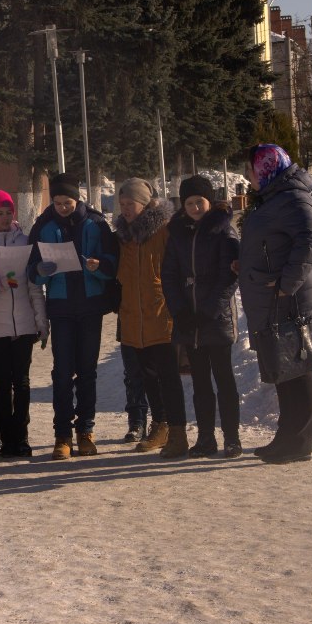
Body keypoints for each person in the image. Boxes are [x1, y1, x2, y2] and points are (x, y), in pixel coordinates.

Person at [238, 144, 312, 464]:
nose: (247, 177)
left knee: (297, 370)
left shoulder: (292, 197)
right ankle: (287, 437)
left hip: (289, 299)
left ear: (265, 168)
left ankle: (300, 441)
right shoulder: (275, 197)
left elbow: (311, 240)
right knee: (285, 370)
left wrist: (285, 284)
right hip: (274, 297)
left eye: (249, 170)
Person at [28, 173, 118, 460]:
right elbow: (31, 268)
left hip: (90, 307)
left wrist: (98, 265)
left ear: (77, 198)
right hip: (61, 308)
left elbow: (113, 262)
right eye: (57, 203)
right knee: (63, 372)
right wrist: (41, 271)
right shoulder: (43, 225)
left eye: (67, 202)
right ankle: (62, 435)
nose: (62, 207)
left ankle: (86, 432)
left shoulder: (96, 223)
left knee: (88, 372)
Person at [161, 175, 242, 458]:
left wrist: (209, 312)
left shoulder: (223, 231)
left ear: (210, 201)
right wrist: (180, 311)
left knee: (224, 379)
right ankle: (206, 437)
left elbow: (230, 277)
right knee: (199, 383)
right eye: (189, 203)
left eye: (199, 201)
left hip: (216, 321)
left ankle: (232, 437)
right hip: (189, 321)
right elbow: (168, 274)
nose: (195, 207)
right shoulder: (178, 233)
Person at [113, 178, 188, 457]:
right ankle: (160, 425)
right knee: (147, 376)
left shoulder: (165, 230)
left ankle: (177, 432)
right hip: (134, 316)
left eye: (129, 204)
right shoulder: (123, 235)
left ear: (144, 204)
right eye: (121, 205)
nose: (125, 210)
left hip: (161, 313)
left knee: (169, 376)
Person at [0, 189, 48, 457]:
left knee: (22, 382)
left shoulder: (24, 241)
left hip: (24, 323)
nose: (4, 218)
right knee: (1, 384)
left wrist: (41, 320)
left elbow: (34, 286)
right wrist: (1, 284)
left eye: (8, 212)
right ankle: (6, 437)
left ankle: (22, 436)